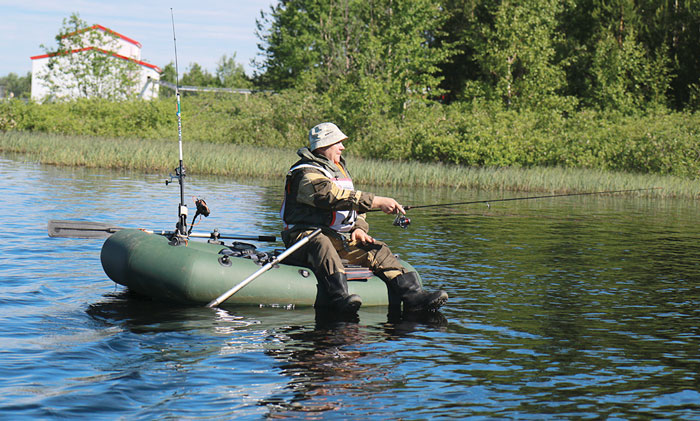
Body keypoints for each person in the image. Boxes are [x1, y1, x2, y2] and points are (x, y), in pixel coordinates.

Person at [281, 122, 448, 314]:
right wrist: (377, 201)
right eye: (338, 143)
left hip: (339, 237)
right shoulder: (305, 172)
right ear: (324, 145)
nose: (342, 147)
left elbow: (354, 208)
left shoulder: (338, 169)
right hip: (303, 237)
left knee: (378, 249)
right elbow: (329, 197)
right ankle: (339, 297)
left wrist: (359, 228)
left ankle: (414, 296)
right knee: (321, 244)